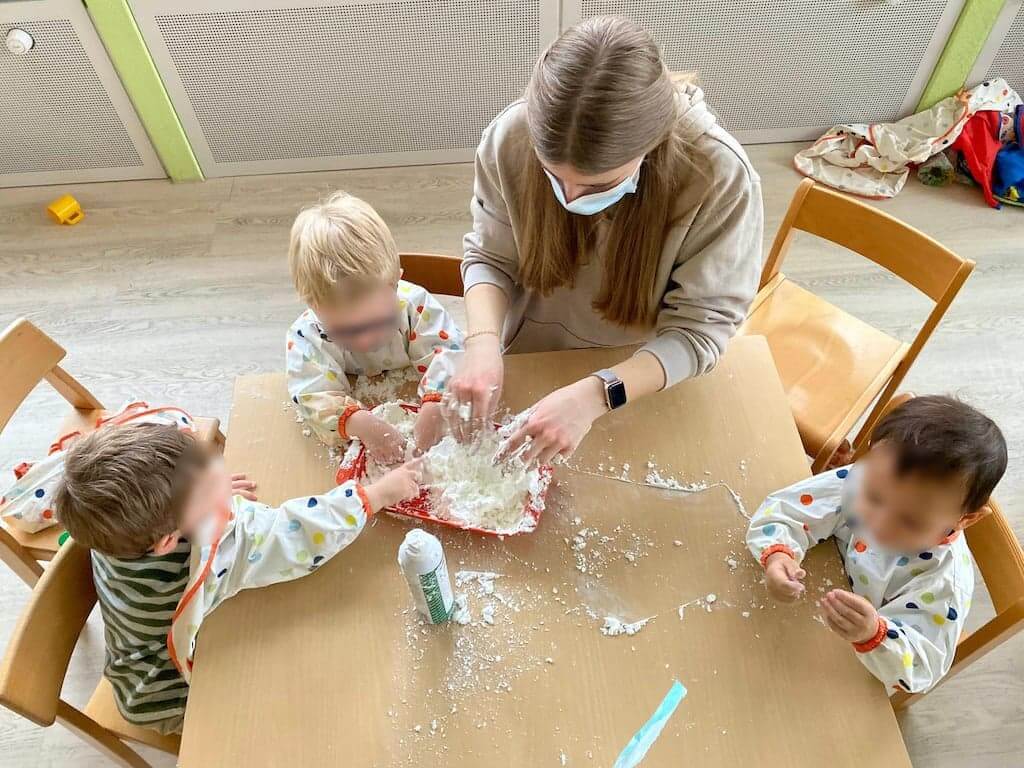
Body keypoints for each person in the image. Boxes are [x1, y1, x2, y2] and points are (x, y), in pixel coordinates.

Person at [450, 16, 763, 463]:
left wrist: (598, 394)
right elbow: (489, 258)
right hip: (533, 352)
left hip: (644, 375)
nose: (570, 197)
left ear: (651, 146)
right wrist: (481, 342)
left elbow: (699, 332)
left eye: (598, 185)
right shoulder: (509, 138)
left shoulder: (719, 176)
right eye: (553, 176)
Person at [55, 422, 421, 734]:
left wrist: (194, 496)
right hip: (166, 695)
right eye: (205, 495)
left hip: (133, 663)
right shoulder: (197, 558)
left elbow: (155, 493)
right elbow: (296, 536)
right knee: (282, 713)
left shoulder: (117, 534)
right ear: (168, 540)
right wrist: (378, 494)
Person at [746, 396, 1007, 694]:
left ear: (966, 519)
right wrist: (779, 553)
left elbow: (922, 668)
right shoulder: (878, 481)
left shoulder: (942, 581)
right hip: (813, 598)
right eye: (873, 498)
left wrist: (875, 634)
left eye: (910, 521)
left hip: (851, 660)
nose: (879, 524)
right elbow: (787, 510)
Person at [286, 191, 464, 457]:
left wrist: (435, 403)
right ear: (313, 306)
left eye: (380, 322)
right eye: (346, 331)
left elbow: (450, 352)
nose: (365, 340)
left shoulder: (414, 306)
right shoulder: (307, 336)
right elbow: (312, 396)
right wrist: (361, 424)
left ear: (396, 284)